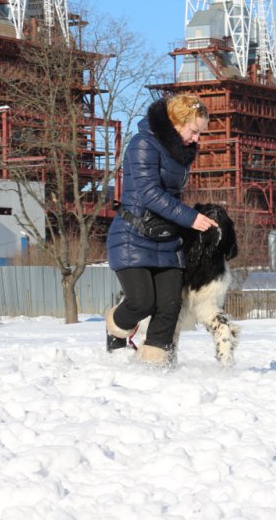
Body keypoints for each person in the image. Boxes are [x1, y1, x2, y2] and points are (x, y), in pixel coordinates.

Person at [105, 94, 218, 365]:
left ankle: (156, 362)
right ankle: (115, 328)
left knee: (169, 305)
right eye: (194, 131)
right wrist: (191, 218)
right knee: (142, 302)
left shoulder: (181, 152)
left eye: (200, 133)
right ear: (176, 123)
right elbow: (149, 193)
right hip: (132, 235)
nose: (197, 139)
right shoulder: (142, 143)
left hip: (167, 238)